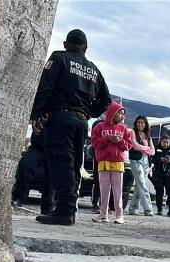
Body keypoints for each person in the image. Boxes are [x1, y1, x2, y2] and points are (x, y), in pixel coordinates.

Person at [30, 29, 111, 226]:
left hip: (60, 118)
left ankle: (64, 212)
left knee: (61, 163)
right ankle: (67, 209)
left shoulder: (59, 58)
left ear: (66, 44)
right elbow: (106, 100)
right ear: (85, 47)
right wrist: (88, 113)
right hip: (81, 121)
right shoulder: (93, 69)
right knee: (74, 165)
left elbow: (45, 87)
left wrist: (36, 114)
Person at [90, 101, 131, 223]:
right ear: (113, 113)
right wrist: (107, 138)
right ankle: (103, 214)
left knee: (117, 190)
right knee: (104, 189)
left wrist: (119, 141)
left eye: (123, 114)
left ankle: (120, 216)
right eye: (120, 114)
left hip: (118, 162)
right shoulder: (99, 127)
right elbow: (95, 143)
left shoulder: (124, 129)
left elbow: (128, 146)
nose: (123, 117)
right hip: (103, 162)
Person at [11, 131, 55, 215]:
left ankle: (47, 207)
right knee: (25, 165)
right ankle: (18, 197)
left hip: (54, 147)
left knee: (51, 176)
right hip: (37, 146)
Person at [126, 116, 155, 216]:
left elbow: (153, 151)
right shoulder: (132, 132)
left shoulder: (148, 135)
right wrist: (146, 148)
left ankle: (133, 208)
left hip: (146, 161)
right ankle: (148, 209)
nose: (140, 124)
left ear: (145, 124)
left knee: (139, 185)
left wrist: (143, 149)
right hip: (135, 160)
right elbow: (134, 146)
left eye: (142, 123)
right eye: (138, 122)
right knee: (142, 183)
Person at [152, 135, 170, 217]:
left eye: (167, 142)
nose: (165, 144)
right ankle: (159, 210)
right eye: (164, 142)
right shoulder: (156, 149)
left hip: (169, 175)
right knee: (159, 193)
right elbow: (152, 159)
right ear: (160, 142)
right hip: (158, 174)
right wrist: (160, 160)